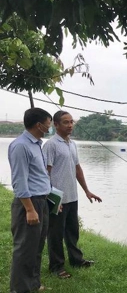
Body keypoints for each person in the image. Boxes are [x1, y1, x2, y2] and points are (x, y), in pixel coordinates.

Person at [43, 110, 102, 279]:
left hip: (72, 196)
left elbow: (77, 168)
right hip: (56, 198)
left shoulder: (72, 144)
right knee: (55, 234)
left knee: (72, 231)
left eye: (71, 122)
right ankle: (56, 266)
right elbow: (45, 174)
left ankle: (77, 260)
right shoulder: (51, 145)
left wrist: (87, 191)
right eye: (65, 122)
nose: (70, 125)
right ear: (56, 125)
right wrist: (52, 199)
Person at [8, 108, 53, 293]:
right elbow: (19, 181)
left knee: (36, 247)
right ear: (39, 125)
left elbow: (39, 176)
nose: (50, 127)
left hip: (41, 202)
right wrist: (29, 209)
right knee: (24, 250)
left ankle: (33, 284)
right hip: (29, 203)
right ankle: (20, 289)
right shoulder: (21, 146)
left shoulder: (36, 145)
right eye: (49, 124)